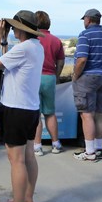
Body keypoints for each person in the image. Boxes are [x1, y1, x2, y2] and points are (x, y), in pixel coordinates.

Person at [0, 10, 44, 202]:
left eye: (13, 26)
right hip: (30, 108)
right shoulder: (35, 47)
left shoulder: (23, 49)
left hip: (16, 110)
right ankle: (27, 200)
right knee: (28, 156)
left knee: (16, 160)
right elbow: (8, 63)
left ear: (20, 28)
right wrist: (4, 42)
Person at [72, 8, 102, 162]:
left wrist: (75, 76)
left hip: (88, 78)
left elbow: (82, 59)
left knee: (86, 115)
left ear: (88, 19)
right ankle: (98, 149)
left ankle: (90, 152)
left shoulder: (85, 35)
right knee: (99, 114)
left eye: (84, 19)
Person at [32, 10, 65, 156]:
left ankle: (37, 146)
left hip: (33, 78)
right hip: (50, 77)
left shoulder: (33, 40)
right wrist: (56, 75)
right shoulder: (56, 40)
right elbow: (61, 61)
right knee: (50, 113)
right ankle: (56, 144)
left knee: (36, 114)